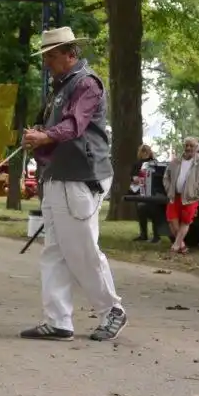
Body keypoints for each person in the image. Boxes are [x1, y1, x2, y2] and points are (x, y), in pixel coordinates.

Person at [19, 27, 127, 343]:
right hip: (58, 174)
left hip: (81, 176)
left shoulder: (87, 84)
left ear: (70, 54)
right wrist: (39, 134)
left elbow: (75, 125)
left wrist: (45, 136)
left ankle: (112, 310)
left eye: (51, 56)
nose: (46, 63)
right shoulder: (61, 86)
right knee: (54, 250)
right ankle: (58, 320)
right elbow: (56, 128)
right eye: (45, 57)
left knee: (81, 248)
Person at [162, 136, 199, 255]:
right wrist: (169, 189)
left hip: (190, 199)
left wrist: (195, 192)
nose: (188, 148)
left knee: (185, 222)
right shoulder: (175, 161)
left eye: (191, 146)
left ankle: (176, 245)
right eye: (186, 145)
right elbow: (166, 177)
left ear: (196, 147)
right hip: (174, 196)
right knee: (171, 220)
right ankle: (182, 245)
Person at [131, 144, 161, 243]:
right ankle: (144, 235)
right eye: (143, 152)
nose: (144, 154)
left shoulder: (154, 163)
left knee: (153, 213)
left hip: (152, 191)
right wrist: (135, 178)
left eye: (146, 152)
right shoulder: (138, 163)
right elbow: (133, 177)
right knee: (142, 213)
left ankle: (155, 235)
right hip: (141, 190)